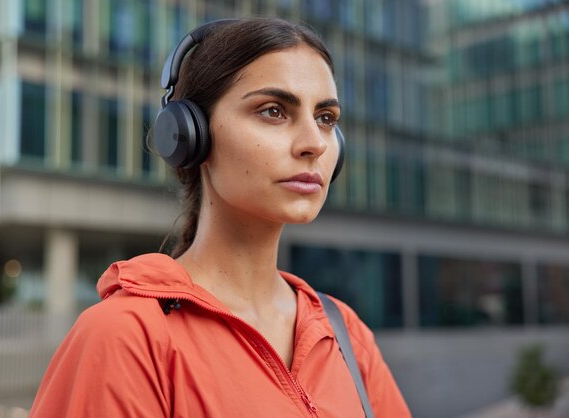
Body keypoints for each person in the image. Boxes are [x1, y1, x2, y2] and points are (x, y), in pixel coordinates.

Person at [29, 17, 411, 418]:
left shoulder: (345, 334)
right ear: (191, 135)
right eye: (273, 111)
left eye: (326, 118)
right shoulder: (126, 336)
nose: (314, 143)